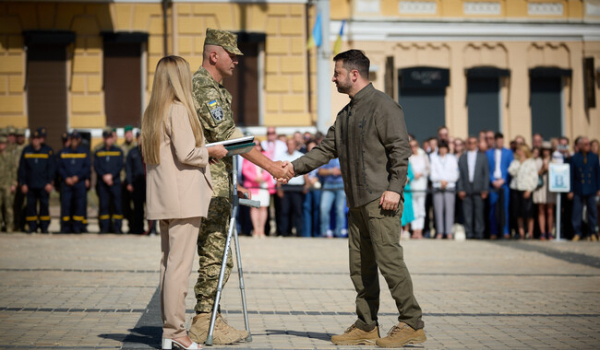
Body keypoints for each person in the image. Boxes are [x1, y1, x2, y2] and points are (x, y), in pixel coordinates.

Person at [281, 49, 426, 348]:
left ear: (354, 74)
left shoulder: (385, 107)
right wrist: (292, 168)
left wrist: (395, 188)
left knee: (390, 262)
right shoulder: (346, 113)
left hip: (380, 199)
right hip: (356, 201)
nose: (333, 78)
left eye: (337, 73)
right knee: (360, 267)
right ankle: (366, 324)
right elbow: (325, 150)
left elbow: (401, 150)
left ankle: (411, 322)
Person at [189, 28, 288, 345]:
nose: (236, 61)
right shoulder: (204, 88)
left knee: (218, 255)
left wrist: (236, 184)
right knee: (216, 255)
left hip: (217, 184)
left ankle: (210, 317)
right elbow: (228, 136)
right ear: (213, 55)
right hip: (208, 188)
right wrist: (272, 167)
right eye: (231, 55)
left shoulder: (213, 87)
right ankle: (205, 320)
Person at [142, 55, 227, 350]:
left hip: (164, 197)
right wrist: (212, 151)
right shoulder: (177, 109)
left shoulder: (153, 111)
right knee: (179, 269)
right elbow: (187, 154)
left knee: (169, 266)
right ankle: (176, 332)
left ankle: (170, 331)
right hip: (183, 198)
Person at [18, 128, 55, 233]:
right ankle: (32, 226)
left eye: (37, 139)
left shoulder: (48, 151)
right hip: (30, 185)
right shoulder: (26, 151)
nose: (35, 141)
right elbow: (22, 169)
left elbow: (51, 168)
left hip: (44, 185)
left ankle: (44, 227)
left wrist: (50, 182)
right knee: (31, 207)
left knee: (44, 206)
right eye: (33, 139)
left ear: (40, 140)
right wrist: (23, 183)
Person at [57, 131, 90, 234]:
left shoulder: (84, 152)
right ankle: (65, 227)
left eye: (76, 140)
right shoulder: (63, 152)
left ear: (79, 140)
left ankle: (78, 227)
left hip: (79, 183)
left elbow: (87, 167)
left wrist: (77, 177)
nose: (74, 142)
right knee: (66, 206)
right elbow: (59, 167)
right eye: (72, 140)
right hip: (67, 184)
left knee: (79, 206)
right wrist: (66, 177)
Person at [457, 137, 489, 240]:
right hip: (466, 187)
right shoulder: (462, 157)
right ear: (467, 144)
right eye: (469, 143)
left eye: (474, 143)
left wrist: (485, 189)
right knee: (467, 212)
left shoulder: (482, 157)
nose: (471, 144)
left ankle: (479, 232)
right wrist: (460, 189)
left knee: (479, 212)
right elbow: (460, 175)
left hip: (479, 188)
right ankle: (469, 232)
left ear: (477, 144)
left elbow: (486, 174)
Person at [568, 137, 600, 241]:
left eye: (588, 144)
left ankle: (592, 232)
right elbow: (571, 175)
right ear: (580, 145)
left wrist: (598, 188)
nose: (588, 146)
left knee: (592, 212)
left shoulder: (594, 157)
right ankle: (577, 232)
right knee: (576, 212)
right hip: (578, 188)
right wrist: (570, 190)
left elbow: (597, 174)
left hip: (591, 188)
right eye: (585, 144)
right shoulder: (575, 158)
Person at [242, 142, 275, 238]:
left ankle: (262, 230)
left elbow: (270, 167)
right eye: (254, 145)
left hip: (264, 185)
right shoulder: (247, 156)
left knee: (263, 207)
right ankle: (256, 230)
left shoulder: (266, 155)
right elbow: (245, 170)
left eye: (258, 144)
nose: (257, 146)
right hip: (253, 185)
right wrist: (254, 178)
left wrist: (263, 178)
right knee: (254, 208)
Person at [94, 130, 124, 233]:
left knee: (117, 205)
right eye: (107, 138)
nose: (109, 140)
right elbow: (97, 166)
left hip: (115, 182)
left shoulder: (118, 151)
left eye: (110, 138)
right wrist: (104, 176)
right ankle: (104, 228)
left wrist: (111, 176)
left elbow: (119, 165)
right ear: (104, 139)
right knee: (104, 206)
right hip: (103, 183)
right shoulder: (99, 152)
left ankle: (117, 228)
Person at [508, 144, 539, 239]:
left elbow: (535, 178)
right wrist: (519, 164)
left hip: (526, 189)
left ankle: (530, 233)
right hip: (516, 189)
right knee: (518, 213)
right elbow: (511, 171)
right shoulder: (515, 162)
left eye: (519, 150)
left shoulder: (531, 162)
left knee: (529, 213)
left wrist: (529, 189)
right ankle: (521, 233)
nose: (517, 152)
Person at [486, 132, 513, 239]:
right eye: (498, 141)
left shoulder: (508, 152)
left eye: (502, 141)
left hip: (504, 184)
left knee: (505, 208)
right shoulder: (488, 153)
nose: (500, 143)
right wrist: (492, 180)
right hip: (493, 185)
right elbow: (487, 169)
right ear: (495, 141)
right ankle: (494, 231)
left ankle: (505, 231)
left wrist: (503, 180)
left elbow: (511, 168)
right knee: (493, 208)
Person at [430, 141, 459, 239]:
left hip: (449, 187)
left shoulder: (452, 158)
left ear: (447, 149)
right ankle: (440, 232)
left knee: (449, 210)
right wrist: (440, 181)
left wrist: (447, 181)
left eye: (444, 148)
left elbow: (455, 174)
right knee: (438, 210)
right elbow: (432, 174)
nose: (442, 150)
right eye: (441, 148)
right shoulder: (434, 159)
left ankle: (449, 232)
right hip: (437, 187)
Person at [277, 139, 305, 236]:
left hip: (297, 187)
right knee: (285, 210)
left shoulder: (300, 156)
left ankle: (299, 232)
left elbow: (305, 171)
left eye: (292, 144)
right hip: (286, 186)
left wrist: (306, 184)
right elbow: (278, 172)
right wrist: (279, 188)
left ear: (295, 145)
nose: (290, 146)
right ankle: (284, 232)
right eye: (289, 144)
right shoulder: (281, 156)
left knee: (297, 211)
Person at [533, 142, 556, 240]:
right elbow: (534, 174)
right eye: (544, 149)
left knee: (550, 210)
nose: (546, 152)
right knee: (541, 210)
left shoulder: (554, 161)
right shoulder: (537, 161)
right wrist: (542, 169)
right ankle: (543, 232)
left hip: (550, 187)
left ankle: (550, 231)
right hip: (540, 187)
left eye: (548, 149)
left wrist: (550, 169)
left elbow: (558, 172)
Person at [318, 157, 346, 238]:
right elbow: (320, 171)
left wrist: (340, 171)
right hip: (328, 185)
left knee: (340, 210)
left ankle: (339, 232)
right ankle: (324, 232)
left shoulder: (345, 155)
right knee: (324, 208)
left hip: (341, 185)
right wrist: (331, 171)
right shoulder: (327, 156)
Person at [408, 139, 429, 239]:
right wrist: (413, 175)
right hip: (412, 186)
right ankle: (414, 230)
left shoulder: (423, 157)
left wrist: (421, 173)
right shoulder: (409, 158)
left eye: (414, 145)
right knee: (414, 209)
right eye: (411, 146)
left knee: (421, 208)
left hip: (421, 185)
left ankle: (419, 230)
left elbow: (428, 170)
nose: (413, 148)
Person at [126, 132, 146, 234]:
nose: (141, 140)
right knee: (138, 208)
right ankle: (138, 228)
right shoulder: (132, 152)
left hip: (147, 183)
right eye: (139, 138)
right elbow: (128, 169)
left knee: (151, 208)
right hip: (136, 184)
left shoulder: (149, 151)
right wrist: (129, 183)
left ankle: (152, 229)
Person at [302, 140, 321, 237]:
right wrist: (307, 182)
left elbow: (323, 171)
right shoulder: (304, 158)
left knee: (317, 208)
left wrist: (318, 178)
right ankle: (307, 233)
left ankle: (316, 233)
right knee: (306, 208)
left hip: (318, 185)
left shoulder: (321, 158)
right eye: (309, 148)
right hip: (308, 185)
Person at [120, 125, 138, 233]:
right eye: (127, 134)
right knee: (126, 205)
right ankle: (130, 225)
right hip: (124, 180)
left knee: (136, 204)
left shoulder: (136, 146)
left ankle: (136, 226)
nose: (128, 135)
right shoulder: (121, 148)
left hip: (135, 180)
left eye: (130, 133)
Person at [0, 134, 17, 233]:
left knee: (8, 207)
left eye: (2, 144)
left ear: (6, 144)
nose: (1, 146)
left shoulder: (10, 156)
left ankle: (9, 226)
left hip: (7, 185)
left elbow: (13, 170)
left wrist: (13, 184)